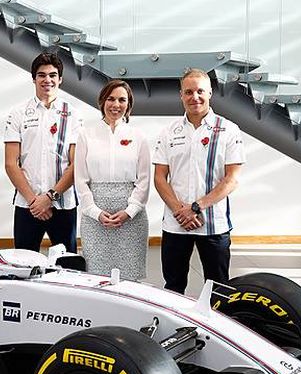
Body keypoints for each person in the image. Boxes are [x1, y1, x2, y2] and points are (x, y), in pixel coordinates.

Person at [153, 68, 245, 294]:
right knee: (173, 287)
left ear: (210, 93)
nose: (195, 97)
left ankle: (216, 327)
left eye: (200, 91)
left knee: (218, 288)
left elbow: (231, 179)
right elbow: (159, 177)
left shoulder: (228, 130)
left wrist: (196, 207)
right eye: (188, 92)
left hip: (214, 225)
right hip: (175, 225)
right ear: (181, 95)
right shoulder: (169, 132)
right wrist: (180, 211)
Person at [4, 52, 81, 252]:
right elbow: (11, 164)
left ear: (60, 79)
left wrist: (49, 198)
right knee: (24, 268)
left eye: (52, 75)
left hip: (63, 205)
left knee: (67, 269)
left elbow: (76, 164)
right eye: (42, 75)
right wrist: (34, 201)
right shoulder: (18, 113)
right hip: (27, 205)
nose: (47, 79)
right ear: (34, 79)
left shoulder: (72, 114)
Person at [74, 79, 150, 280]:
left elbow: (144, 180)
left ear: (129, 104)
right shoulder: (85, 134)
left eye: (122, 100)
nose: (116, 105)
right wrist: (94, 211)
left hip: (131, 219)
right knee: (96, 276)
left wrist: (129, 211)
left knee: (130, 278)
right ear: (102, 102)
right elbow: (80, 179)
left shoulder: (139, 136)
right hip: (95, 219)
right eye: (111, 99)